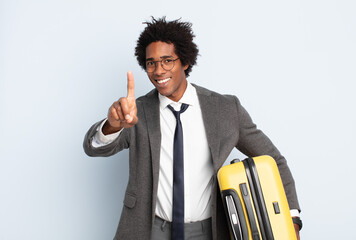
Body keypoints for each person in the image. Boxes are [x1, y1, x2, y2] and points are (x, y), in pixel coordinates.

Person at [83, 17, 302, 240]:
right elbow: (93, 147)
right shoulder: (136, 112)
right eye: (151, 63)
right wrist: (113, 125)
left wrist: (292, 219)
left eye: (167, 61)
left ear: (185, 62)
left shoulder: (225, 109)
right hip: (149, 230)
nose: (158, 71)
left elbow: (274, 160)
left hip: (209, 231)